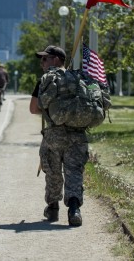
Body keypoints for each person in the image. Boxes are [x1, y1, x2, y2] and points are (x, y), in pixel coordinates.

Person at [29, 45, 87, 227]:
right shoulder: (78, 78)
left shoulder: (46, 80)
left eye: (45, 59)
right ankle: (74, 210)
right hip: (77, 135)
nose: (42, 63)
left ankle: (53, 208)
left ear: (56, 60)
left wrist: (51, 111)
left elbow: (33, 108)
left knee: (53, 172)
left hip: (54, 134)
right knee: (74, 172)